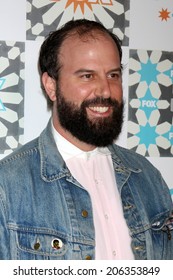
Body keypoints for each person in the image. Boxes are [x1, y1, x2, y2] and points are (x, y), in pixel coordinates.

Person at [0, 19, 173, 260]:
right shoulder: (7, 187)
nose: (105, 90)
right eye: (87, 76)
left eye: (113, 75)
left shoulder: (148, 178)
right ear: (51, 86)